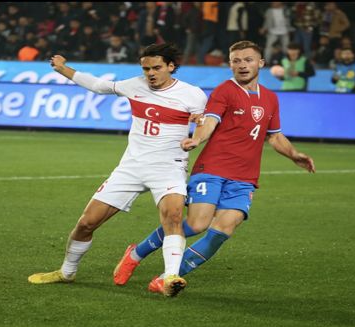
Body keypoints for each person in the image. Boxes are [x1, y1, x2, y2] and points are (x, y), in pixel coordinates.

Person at [113, 40, 316, 293]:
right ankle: (136, 253)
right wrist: (197, 138)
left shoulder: (271, 99)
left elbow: (274, 135)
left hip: (244, 177)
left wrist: (293, 154)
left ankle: (166, 278)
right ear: (230, 64)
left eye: (248, 60)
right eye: (236, 61)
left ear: (261, 63)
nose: (242, 65)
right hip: (212, 169)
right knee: (197, 224)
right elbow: (210, 120)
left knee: (224, 230)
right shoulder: (224, 91)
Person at [28, 43, 208, 298]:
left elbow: (202, 123)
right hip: (131, 167)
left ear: (171, 66)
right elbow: (100, 86)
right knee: (86, 223)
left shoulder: (192, 94)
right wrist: (63, 69)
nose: (150, 73)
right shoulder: (135, 85)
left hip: (169, 167)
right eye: (146, 69)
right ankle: (67, 272)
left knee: (173, 217)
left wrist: (196, 139)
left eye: (156, 68)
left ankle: (170, 277)